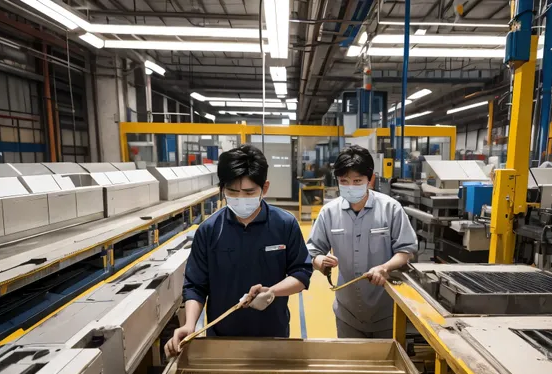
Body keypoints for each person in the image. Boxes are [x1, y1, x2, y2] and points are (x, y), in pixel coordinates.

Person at [165, 144, 313, 356]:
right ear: (222, 189)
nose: (241, 198)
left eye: (249, 192)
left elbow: (302, 273)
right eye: (232, 191)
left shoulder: (285, 224)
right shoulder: (209, 231)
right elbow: (196, 285)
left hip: (273, 337)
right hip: (222, 341)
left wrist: (272, 291)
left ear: (265, 188)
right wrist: (190, 324)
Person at [307, 145, 417, 338]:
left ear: (370, 179)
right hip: (346, 312)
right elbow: (313, 250)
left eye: (357, 181)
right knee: (351, 364)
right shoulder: (329, 212)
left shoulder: (391, 209)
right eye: (344, 181)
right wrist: (319, 262)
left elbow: (406, 250)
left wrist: (385, 267)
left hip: (387, 311)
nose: (350, 186)